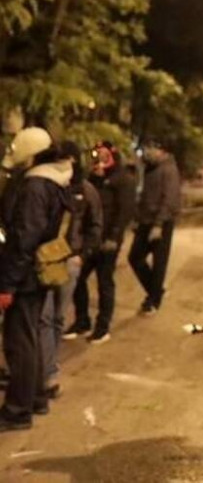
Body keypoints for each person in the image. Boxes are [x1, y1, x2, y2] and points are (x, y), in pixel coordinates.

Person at [0, 127, 71, 431]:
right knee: (30, 337)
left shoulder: (34, 186)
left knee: (20, 342)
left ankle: (17, 410)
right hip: (39, 270)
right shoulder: (54, 181)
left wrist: (7, 284)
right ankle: (37, 397)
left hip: (25, 274)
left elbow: (23, 238)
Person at [38, 142, 103, 396]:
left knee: (56, 318)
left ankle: (49, 369)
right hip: (46, 260)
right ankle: (46, 373)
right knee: (44, 318)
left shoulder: (86, 190)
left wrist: (82, 256)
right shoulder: (48, 187)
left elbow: (95, 225)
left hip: (69, 261)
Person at [65, 141, 136, 344]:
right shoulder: (93, 178)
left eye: (103, 154)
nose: (99, 158)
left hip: (108, 240)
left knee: (104, 282)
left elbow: (125, 210)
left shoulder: (122, 178)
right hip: (91, 239)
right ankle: (82, 321)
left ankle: (102, 327)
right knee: (78, 278)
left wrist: (114, 236)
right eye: (96, 154)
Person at [129, 139, 181, 315]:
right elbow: (143, 195)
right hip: (145, 220)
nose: (147, 152)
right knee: (135, 257)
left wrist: (159, 224)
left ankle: (153, 301)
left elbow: (170, 198)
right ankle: (156, 290)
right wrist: (137, 218)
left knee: (159, 263)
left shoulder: (169, 169)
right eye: (145, 148)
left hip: (161, 222)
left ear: (161, 150)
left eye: (150, 148)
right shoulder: (149, 168)